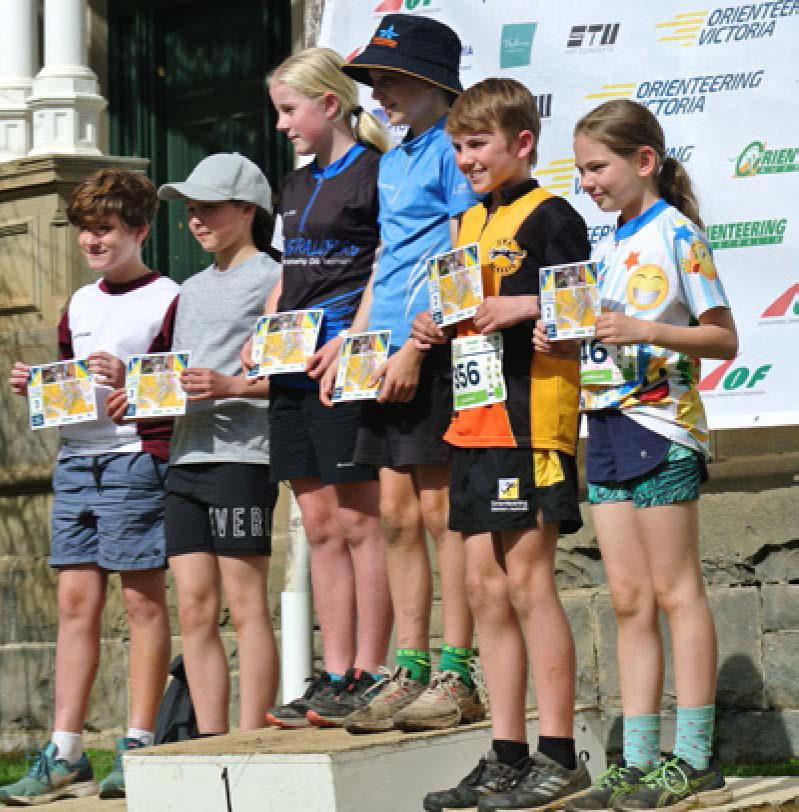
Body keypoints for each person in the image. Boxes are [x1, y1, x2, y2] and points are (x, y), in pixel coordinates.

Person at [535, 99, 737, 812]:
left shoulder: (677, 233)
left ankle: (695, 758)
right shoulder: (611, 240)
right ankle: (638, 760)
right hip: (607, 428)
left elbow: (723, 338)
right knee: (626, 600)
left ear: (643, 161)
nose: (586, 182)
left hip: (662, 426)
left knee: (676, 592)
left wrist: (645, 330)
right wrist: (566, 341)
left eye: (598, 167)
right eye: (580, 170)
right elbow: (609, 336)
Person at [417, 78, 592, 811]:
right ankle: (506, 752)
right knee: (484, 590)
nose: (467, 159)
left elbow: (582, 308)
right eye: (458, 147)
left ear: (522, 142)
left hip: (529, 421)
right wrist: (433, 327)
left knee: (527, 583)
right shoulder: (466, 222)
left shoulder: (552, 215)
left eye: (478, 144)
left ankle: (559, 754)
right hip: (472, 421)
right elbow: (465, 310)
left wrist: (523, 304)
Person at [323, 13, 484, 733]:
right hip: (379, 351)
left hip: (430, 350)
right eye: (375, 80)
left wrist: (420, 347)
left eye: (392, 79)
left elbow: (459, 256)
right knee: (393, 515)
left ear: (434, 82)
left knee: (438, 511)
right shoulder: (391, 158)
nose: (380, 92)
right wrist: (351, 342)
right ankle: (409, 666)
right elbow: (386, 258)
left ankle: (456, 669)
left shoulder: (452, 150)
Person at [3, 169, 177, 804]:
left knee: (142, 604)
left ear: (139, 230)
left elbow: (179, 387)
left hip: (136, 459)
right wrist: (37, 384)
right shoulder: (80, 301)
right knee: (75, 606)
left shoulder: (169, 296)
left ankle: (138, 742)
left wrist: (132, 377)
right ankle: (65, 751)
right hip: (76, 460)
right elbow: (67, 380)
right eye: (84, 230)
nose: (93, 241)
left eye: (105, 229)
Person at [111, 153, 282, 735]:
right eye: (190, 209)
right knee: (194, 608)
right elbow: (175, 378)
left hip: (242, 458)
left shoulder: (275, 278)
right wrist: (138, 396)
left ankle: (253, 738)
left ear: (247, 209)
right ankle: (209, 740)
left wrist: (232, 385)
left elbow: (291, 373)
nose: (196, 219)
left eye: (208, 207)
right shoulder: (188, 289)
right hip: (185, 460)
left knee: (247, 602)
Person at [252, 47, 393, 729]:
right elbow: (288, 273)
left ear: (329, 104)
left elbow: (385, 266)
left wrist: (353, 339)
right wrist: (264, 330)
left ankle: (373, 668)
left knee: (359, 521)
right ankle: (333, 672)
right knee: (317, 525)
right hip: (291, 367)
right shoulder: (293, 184)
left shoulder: (374, 172)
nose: (281, 124)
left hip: (345, 363)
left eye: (289, 110)